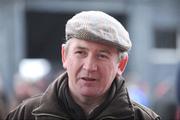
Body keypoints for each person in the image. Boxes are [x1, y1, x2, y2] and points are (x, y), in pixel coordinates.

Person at [5, 11, 160, 120]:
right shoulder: (27, 115)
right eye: (80, 52)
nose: (89, 66)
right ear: (64, 55)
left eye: (102, 56)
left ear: (121, 64)